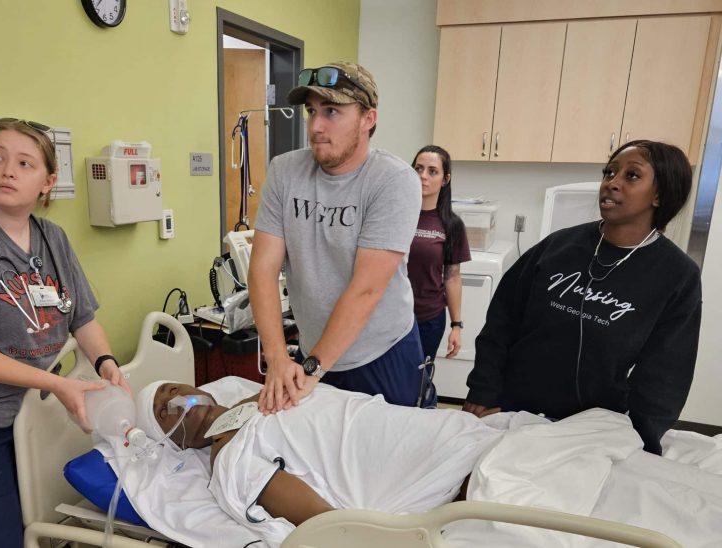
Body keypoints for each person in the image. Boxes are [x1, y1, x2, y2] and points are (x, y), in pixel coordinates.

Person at [133, 379, 722, 548]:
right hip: (456, 476)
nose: (171, 397)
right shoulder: (228, 459)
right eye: (162, 409)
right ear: (174, 440)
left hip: (458, 434)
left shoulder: (257, 393)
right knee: (657, 513)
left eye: (171, 387)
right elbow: (323, 522)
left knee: (652, 479)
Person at [0, 118, 129, 548]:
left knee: (42, 520)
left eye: (24, 162)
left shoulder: (52, 238)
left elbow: (82, 318)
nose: (7, 170)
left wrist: (106, 362)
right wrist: (56, 383)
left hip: (29, 413)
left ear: (48, 182)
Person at [463, 140, 702, 455]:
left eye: (631, 176)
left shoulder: (676, 275)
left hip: (591, 433)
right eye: (609, 172)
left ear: (660, 194)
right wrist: (482, 391)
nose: (611, 183)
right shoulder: (557, 248)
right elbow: (501, 323)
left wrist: (641, 443)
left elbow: (666, 375)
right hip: (509, 411)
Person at [249, 62, 424, 413]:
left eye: (332, 111)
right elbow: (261, 270)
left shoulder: (394, 181)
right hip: (313, 350)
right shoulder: (285, 172)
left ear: (367, 119)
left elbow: (366, 289)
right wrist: (278, 358)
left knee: (381, 462)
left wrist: (312, 368)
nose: (316, 126)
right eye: (311, 111)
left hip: (381, 354)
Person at [408, 145, 470, 407]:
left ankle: (424, 414)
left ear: (445, 180)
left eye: (432, 171)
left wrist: (457, 325)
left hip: (428, 318)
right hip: (391, 315)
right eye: (419, 168)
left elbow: (452, 276)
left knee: (419, 378)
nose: (423, 175)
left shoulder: (451, 225)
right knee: (392, 378)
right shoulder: (395, 215)